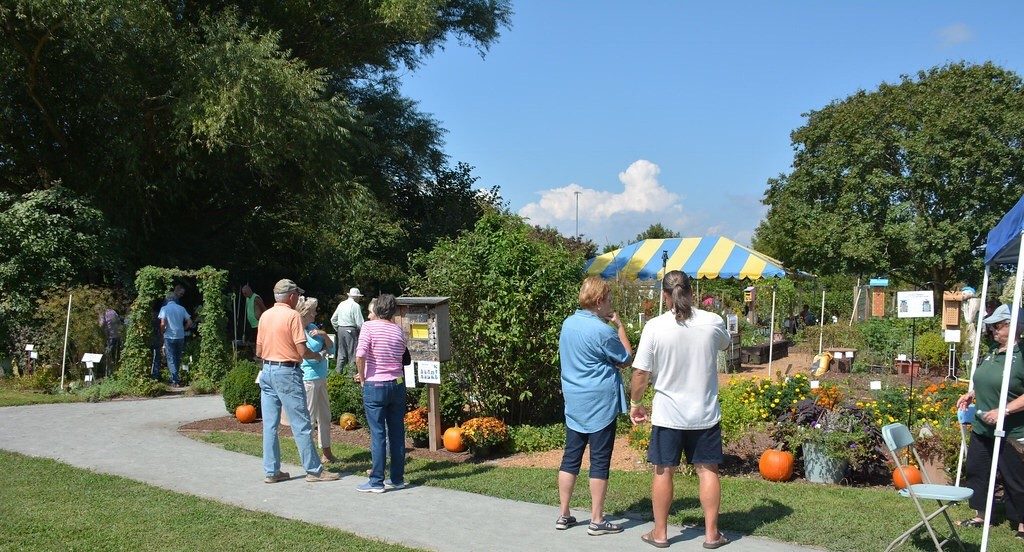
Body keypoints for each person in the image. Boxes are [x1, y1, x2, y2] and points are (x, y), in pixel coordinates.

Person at [629, 270, 732, 549]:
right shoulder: (713, 322)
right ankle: (712, 535)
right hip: (704, 413)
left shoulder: (654, 327)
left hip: (668, 413)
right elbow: (725, 344)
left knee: (664, 470)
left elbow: (640, 373)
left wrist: (635, 403)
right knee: (707, 470)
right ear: (691, 292)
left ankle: (660, 533)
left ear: (665, 295)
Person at [555, 277, 632, 535]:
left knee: (570, 458)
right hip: (600, 404)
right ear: (599, 302)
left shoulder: (567, 324)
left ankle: (564, 514)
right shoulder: (602, 331)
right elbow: (625, 358)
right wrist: (619, 325)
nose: (610, 303)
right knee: (599, 461)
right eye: (609, 299)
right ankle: (597, 519)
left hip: (574, 403)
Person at [256, 279, 340, 484]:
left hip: (266, 371)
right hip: (287, 372)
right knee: (302, 424)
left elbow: (258, 351)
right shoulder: (292, 315)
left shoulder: (265, 315)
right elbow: (302, 351)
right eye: (297, 295)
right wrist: (317, 355)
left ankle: (272, 471)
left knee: (269, 425)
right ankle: (314, 471)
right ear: (291, 296)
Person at [955, 304, 1024, 539]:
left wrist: (1004, 411)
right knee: (978, 471)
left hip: (1012, 430)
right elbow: (985, 379)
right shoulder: (993, 352)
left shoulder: (1022, 355)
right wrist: (971, 394)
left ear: (1013, 326)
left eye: (997, 326)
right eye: (992, 326)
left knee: (1016, 477)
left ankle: (1022, 525)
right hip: (983, 427)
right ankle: (982, 515)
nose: (993, 330)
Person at [354, 293, 407, 493]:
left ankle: (376, 481)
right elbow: (401, 355)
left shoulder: (368, 327)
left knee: (378, 434)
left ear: (376, 310)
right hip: (397, 384)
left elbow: (360, 355)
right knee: (396, 432)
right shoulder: (399, 331)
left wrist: (362, 376)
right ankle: (397, 478)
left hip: (375, 385)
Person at [296, 297, 337, 464]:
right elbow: (307, 355)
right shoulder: (299, 331)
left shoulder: (313, 327)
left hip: (321, 377)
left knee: (325, 416)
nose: (315, 314)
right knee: (310, 418)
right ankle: (309, 456)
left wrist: (324, 334)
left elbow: (332, 348)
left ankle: (326, 453)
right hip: (309, 380)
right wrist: (321, 354)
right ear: (305, 314)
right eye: (313, 311)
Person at [158, 292, 192, 387]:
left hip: (169, 336)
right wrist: (184, 328)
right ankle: (175, 378)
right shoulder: (181, 308)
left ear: (167, 300)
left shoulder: (164, 309)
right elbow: (189, 322)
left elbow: (162, 323)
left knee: (170, 357)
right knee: (177, 357)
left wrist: (162, 331)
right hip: (180, 336)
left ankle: (174, 380)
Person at [331, 287, 365, 372]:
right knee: (352, 354)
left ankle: (337, 375)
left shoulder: (341, 304)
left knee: (341, 353)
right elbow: (360, 323)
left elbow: (333, 319)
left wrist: (337, 328)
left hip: (340, 329)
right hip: (351, 330)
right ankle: (351, 377)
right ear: (357, 297)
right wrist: (363, 334)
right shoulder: (356, 306)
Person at [98, 307, 123, 374]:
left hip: (110, 337)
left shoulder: (102, 313)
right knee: (117, 354)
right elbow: (119, 322)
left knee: (109, 354)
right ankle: (117, 369)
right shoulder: (113, 311)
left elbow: (101, 324)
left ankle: (110, 372)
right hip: (117, 335)